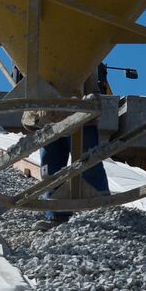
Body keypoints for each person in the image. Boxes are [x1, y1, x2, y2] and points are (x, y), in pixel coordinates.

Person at [37, 64, 111, 229]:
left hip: (80, 113)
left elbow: (89, 74)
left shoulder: (80, 45)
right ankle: (56, 214)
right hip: (50, 115)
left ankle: (100, 209)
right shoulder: (42, 46)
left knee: (87, 162)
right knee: (51, 169)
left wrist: (94, 98)